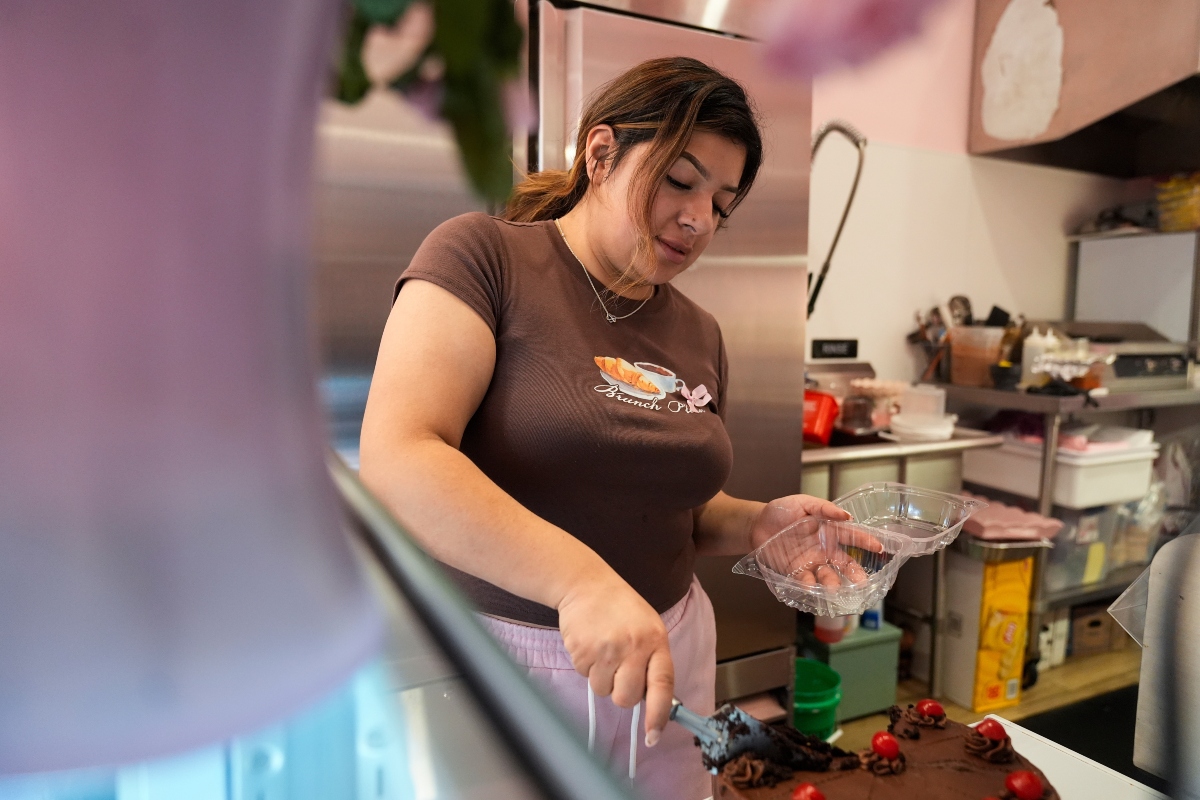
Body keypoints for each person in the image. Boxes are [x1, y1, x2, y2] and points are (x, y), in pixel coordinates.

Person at [359, 56, 850, 798]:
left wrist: (757, 525)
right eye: (681, 181)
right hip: (512, 656)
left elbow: (661, 502)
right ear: (600, 154)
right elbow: (399, 458)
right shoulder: (485, 259)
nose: (698, 218)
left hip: (671, 649)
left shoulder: (700, 332)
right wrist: (580, 581)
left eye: (721, 202)